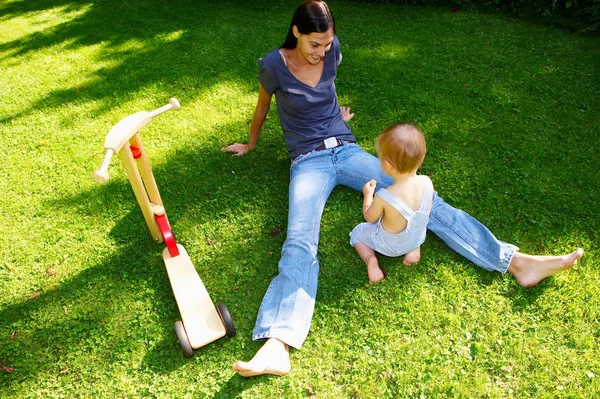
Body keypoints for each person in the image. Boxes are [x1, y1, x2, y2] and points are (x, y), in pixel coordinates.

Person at [221, 0, 583, 377]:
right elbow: (263, 106)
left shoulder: (333, 50)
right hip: (307, 161)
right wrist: (251, 144)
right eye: (315, 44)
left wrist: (335, 118)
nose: (322, 52)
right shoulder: (273, 65)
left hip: (346, 150)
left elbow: (325, 89)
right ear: (296, 32)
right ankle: (278, 342)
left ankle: (516, 262)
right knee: (299, 237)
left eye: (327, 45)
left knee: (427, 200)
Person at [350, 123, 433, 283]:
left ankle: (371, 261)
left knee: (357, 233)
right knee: (416, 222)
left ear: (387, 165)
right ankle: (414, 248)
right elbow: (425, 213)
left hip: (390, 246)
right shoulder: (426, 182)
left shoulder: (384, 197)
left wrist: (368, 195)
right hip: (417, 236)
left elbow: (370, 217)